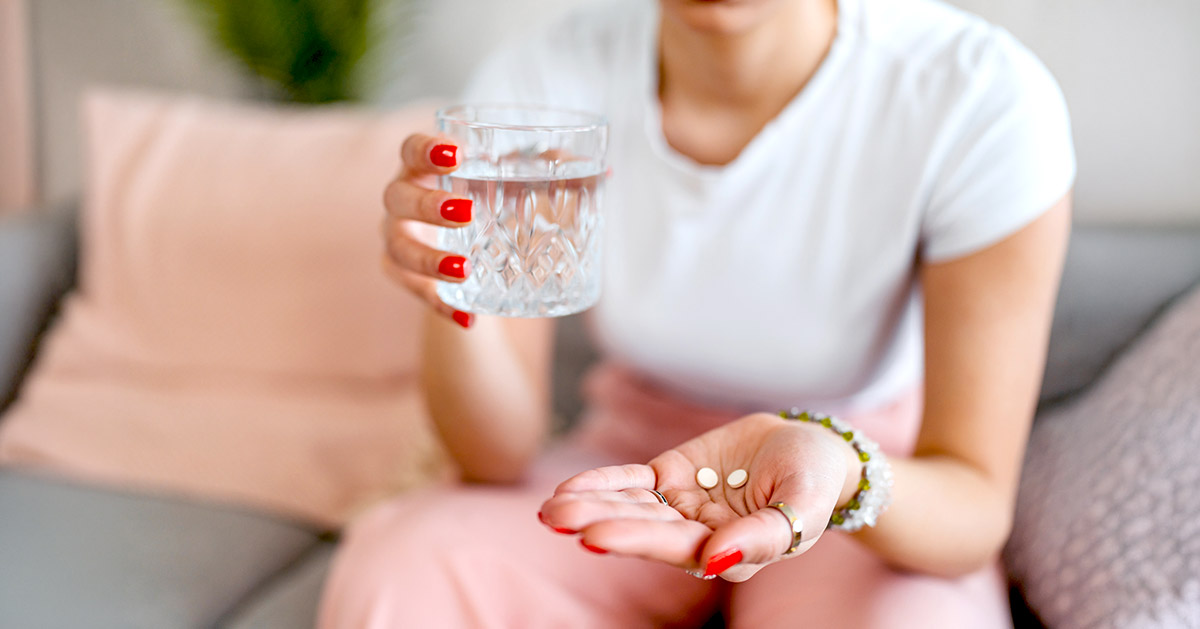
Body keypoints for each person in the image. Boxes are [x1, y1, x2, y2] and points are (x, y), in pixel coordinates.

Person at [318, 0, 1075, 625]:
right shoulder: (543, 77)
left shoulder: (976, 97)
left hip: (859, 478)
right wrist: (454, 287)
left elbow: (973, 502)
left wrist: (842, 470)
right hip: (627, 463)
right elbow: (495, 456)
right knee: (405, 570)